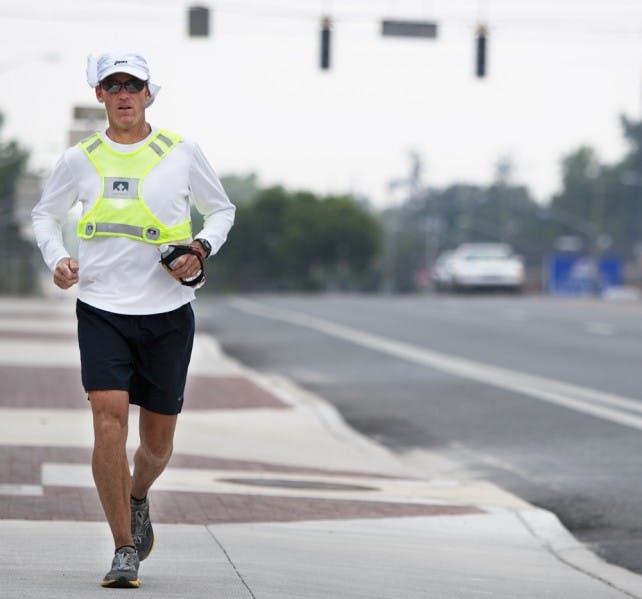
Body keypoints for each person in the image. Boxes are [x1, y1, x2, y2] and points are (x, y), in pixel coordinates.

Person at [31, 50, 235, 588]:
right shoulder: (79, 159)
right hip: (102, 309)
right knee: (107, 421)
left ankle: (138, 494)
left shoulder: (181, 151)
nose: (123, 94)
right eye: (113, 85)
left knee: (157, 445)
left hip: (168, 314)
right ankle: (124, 547)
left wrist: (200, 247)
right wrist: (57, 258)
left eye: (132, 84)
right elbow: (45, 215)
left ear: (148, 93)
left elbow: (222, 210)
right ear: (99, 94)